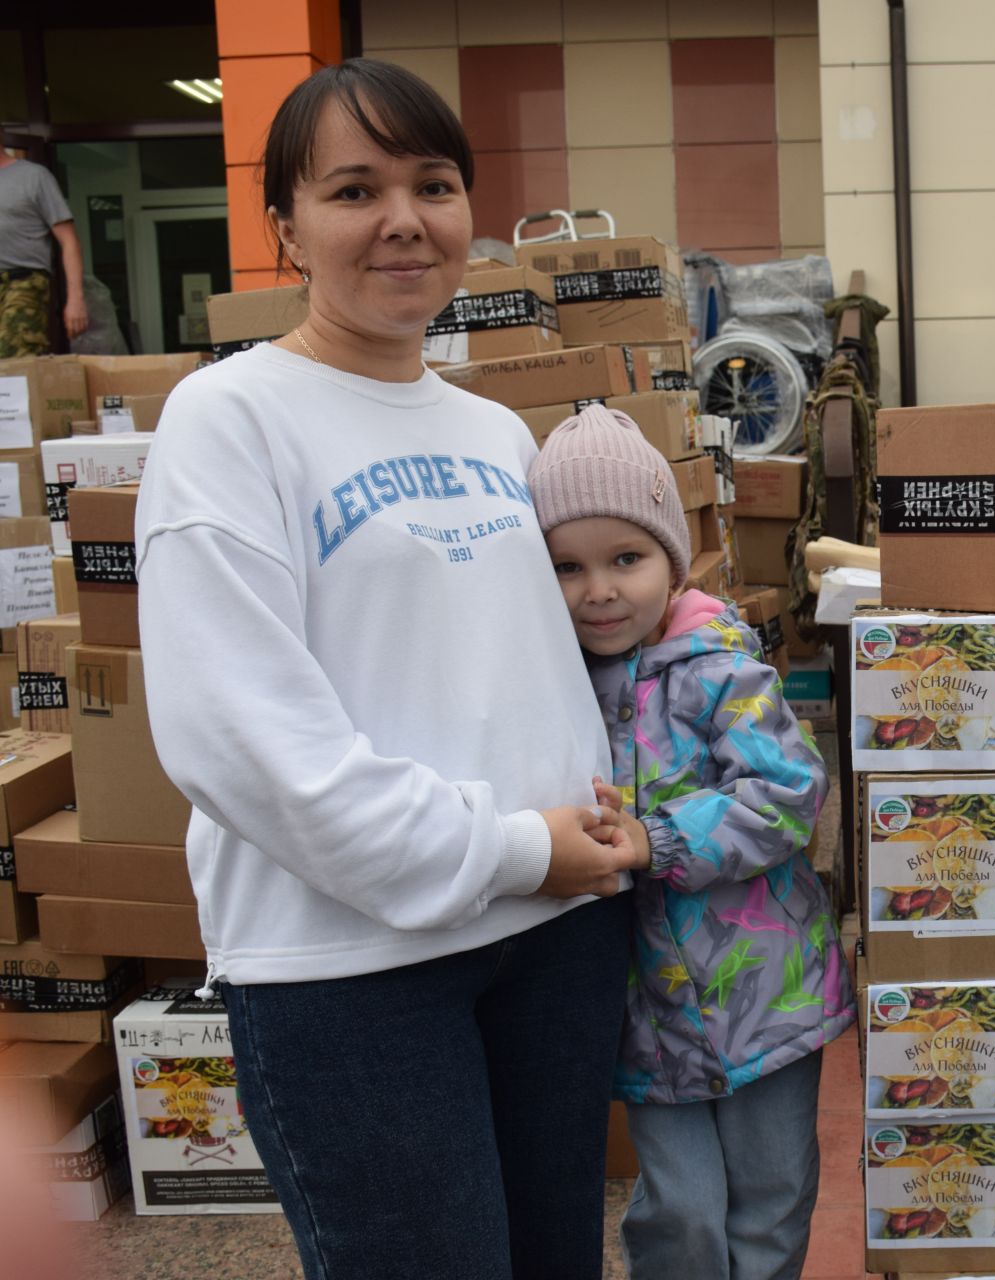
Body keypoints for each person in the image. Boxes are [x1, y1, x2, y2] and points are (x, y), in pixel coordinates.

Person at [133, 60, 640, 1279]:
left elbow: (532, 659)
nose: (404, 218)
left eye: (435, 183)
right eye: (355, 189)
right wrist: (518, 845)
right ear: (285, 230)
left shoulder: (490, 430)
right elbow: (241, 737)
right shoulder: (230, 420)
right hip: (353, 971)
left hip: (553, 936)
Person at [527, 405, 853, 1280]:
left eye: (625, 560)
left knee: (774, 1193)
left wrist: (660, 840)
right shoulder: (551, 685)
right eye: (567, 566)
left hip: (767, 992)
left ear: (671, 562)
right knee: (680, 1212)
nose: (598, 589)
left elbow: (787, 793)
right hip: (643, 1013)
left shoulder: (721, 666)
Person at [0, 137, 86, 357]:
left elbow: (69, 241)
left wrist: (75, 299)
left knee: (16, 357)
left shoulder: (33, 177)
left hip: (22, 281)